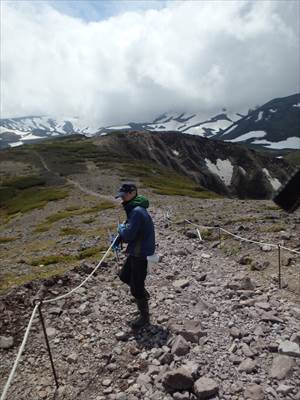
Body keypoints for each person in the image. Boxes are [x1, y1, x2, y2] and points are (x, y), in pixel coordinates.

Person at [114, 182, 155, 329]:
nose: (122, 199)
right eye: (121, 196)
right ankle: (142, 294)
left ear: (132, 193)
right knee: (124, 276)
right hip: (138, 251)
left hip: (141, 253)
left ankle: (144, 317)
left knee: (136, 286)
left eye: (124, 196)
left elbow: (129, 235)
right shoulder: (137, 209)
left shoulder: (137, 211)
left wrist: (121, 229)